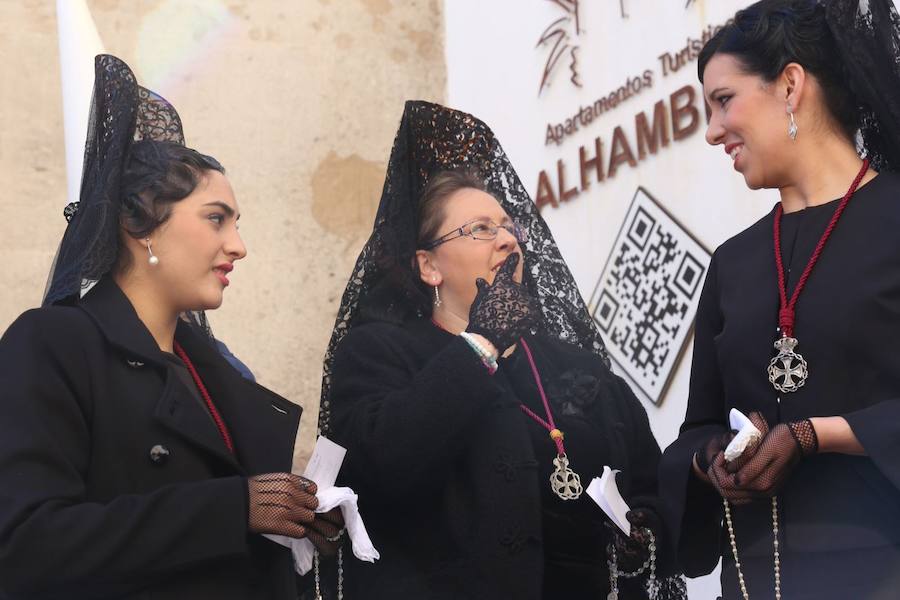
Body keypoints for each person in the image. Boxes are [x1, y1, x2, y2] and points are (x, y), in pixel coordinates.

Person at [0, 55, 341, 599]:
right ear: (141, 225)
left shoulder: (213, 372)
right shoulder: (54, 344)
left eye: (236, 224)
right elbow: (24, 545)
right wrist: (233, 509)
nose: (238, 246)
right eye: (215, 218)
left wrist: (292, 518)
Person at [319, 100, 686, 599]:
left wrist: (645, 527)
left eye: (509, 226)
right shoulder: (378, 354)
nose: (508, 242)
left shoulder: (574, 366)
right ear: (429, 266)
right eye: (480, 230)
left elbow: (647, 479)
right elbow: (384, 468)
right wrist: (481, 343)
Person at [658, 1, 900, 598]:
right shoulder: (733, 263)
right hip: (758, 575)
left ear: (791, 85)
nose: (712, 130)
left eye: (723, 100)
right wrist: (712, 457)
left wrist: (816, 433)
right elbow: (697, 428)